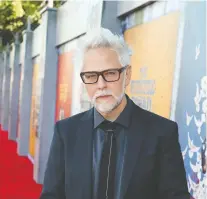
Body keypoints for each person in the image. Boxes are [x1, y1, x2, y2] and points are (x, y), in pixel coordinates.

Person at [40, 28, 190, 199]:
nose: (101, 84)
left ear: (127, 75)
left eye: (110, 73)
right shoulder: (66, 132)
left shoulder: (162, 132)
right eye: (91, 76)